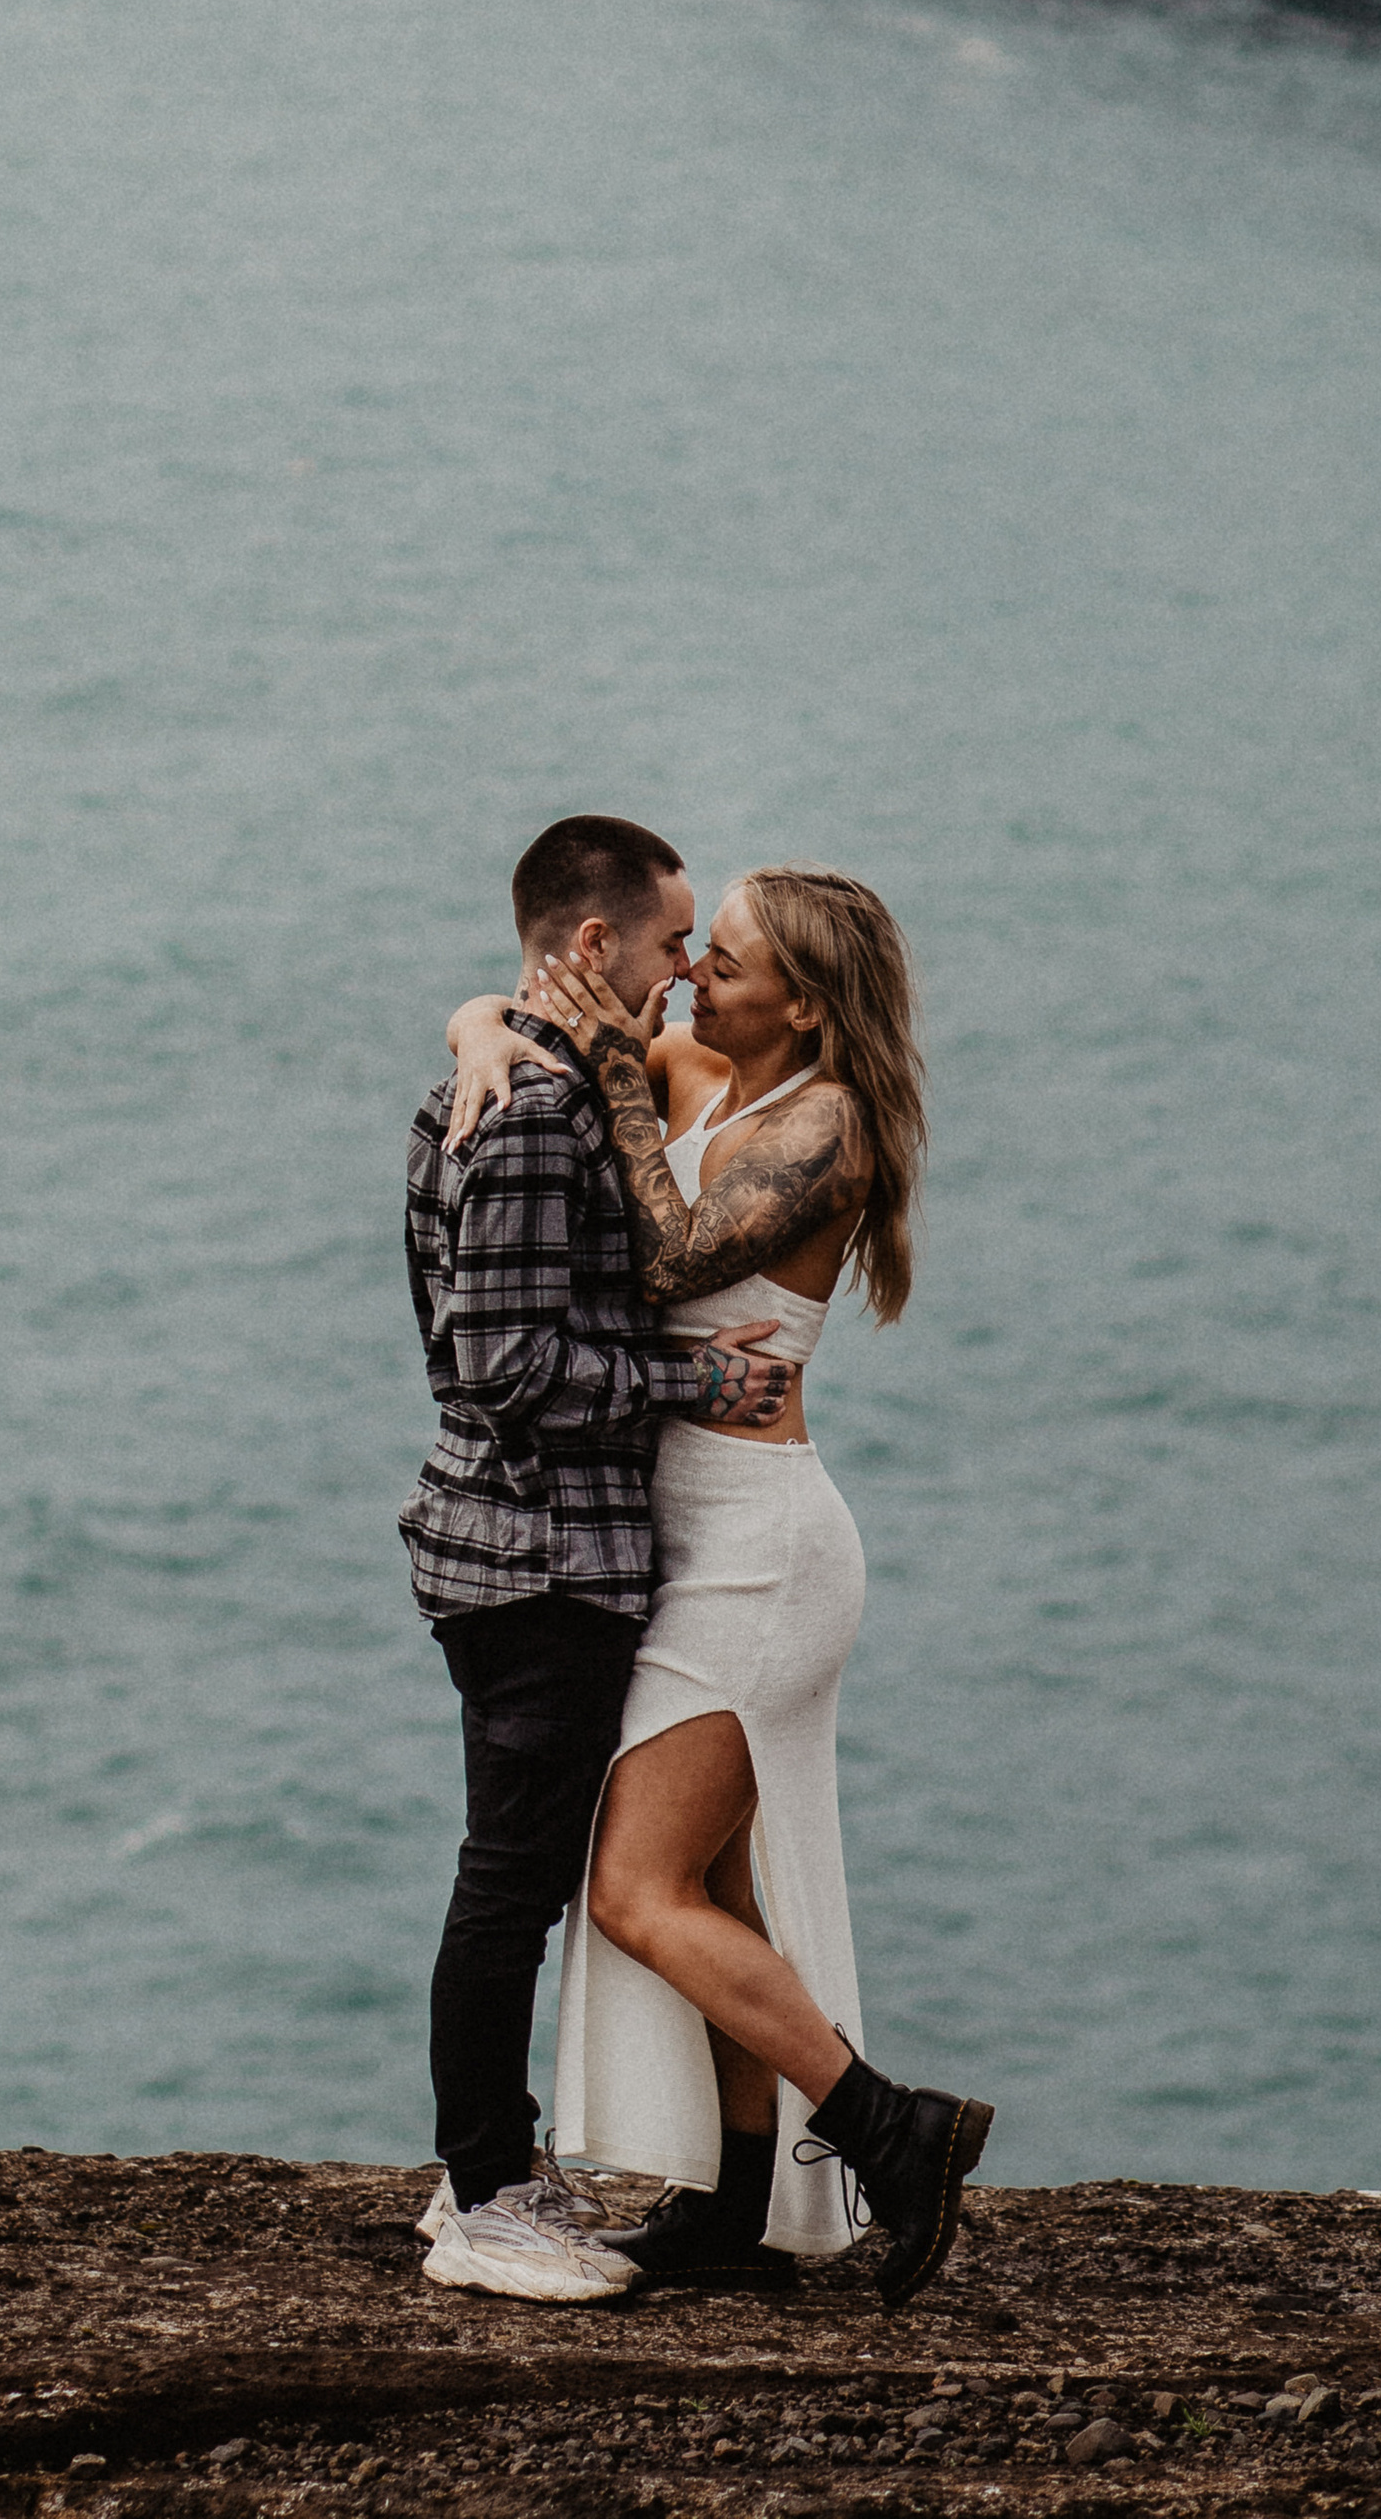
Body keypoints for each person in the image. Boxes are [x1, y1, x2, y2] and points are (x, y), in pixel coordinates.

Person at [444, 864, 994, 2311]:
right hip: (676, 1534)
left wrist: (619, 1072)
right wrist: (476, 1031)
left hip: (760, 1548)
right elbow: (532, 1008)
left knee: (633, 1889)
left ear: (806, 1004)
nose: (693, 978)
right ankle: (741, 2205)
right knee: (717, 1884)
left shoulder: (828, 1129)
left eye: (728, 961)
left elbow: (672, 1249)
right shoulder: (689, 1059)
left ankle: (889, 2126)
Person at [402, 816, 799, 2308]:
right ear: (590, 945)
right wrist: (692, 1388)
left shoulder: (511, 1074)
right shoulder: (530, 1113)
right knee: (507, 1885)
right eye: (668, 942)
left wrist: (482, 1013)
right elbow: (503, 1364)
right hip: (536, 1555)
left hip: (520, 1542)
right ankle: (484, 2193)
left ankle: (499, 2168)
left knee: (518, 1881)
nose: (683, 968)